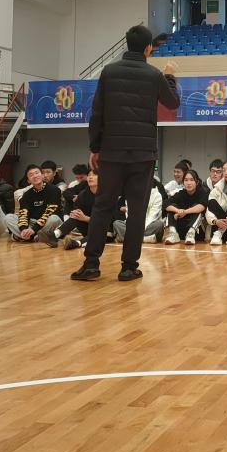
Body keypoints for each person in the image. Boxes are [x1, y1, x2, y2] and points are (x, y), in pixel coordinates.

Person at [70, 25, 180, 282]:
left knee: (102, 207)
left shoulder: (109, 71)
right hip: (143, 155)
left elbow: (97, 113)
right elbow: (173, 102)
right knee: (137, 210)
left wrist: (95, 147)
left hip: (111, 153)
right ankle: (129, 267)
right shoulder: (154, 75)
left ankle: (91, 264)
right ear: (148, 48)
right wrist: (169, 76)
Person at [43, 168, 99, 249]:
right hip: (88, 227)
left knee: (100, 231)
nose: (90, 177)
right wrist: (76, 214)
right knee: (76, 216)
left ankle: (76, 243)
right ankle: (54, 235)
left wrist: (86, 218)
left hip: (104, 230)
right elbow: (76, 208)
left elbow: (107, 220)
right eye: (89, 175)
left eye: (94, 175)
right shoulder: (83, 194)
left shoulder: (107, 195)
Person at [14, 164, 63, 242]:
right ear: (28, 180)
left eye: (37, 173)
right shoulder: (26, 195)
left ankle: (27, 236)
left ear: (42, 175)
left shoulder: (54, 190)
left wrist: (34, 230)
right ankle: (30, 236)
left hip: (48, 222)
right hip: (33, 222)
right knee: (9, 218)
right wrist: (24, 229)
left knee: (54, 218)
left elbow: (49, 213)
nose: (35, 176)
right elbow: (23, 214)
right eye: (31, 175)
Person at [164, 169, 208, 244]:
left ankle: (191, 234)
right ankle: (173, 234)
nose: (188, 183)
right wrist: (178, 211)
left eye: (191, 180)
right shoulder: (181, 193)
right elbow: (166, 204)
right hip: (182, 229)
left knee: (197, 210)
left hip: (197, 231)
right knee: (172, 209)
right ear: (183, 182)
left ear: (197, 182)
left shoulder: (202, 192)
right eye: (186, 180)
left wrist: (185, 212)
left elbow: (202, 206)